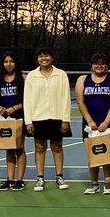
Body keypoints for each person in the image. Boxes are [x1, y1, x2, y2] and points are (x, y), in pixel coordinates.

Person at [24, 48, 72, 191]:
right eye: (40, 56)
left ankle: (59, 177)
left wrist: (65, 119)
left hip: (57, 116)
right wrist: (28, 121)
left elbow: (65, 97)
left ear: (52, 58)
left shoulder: (61, 74)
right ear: (37, 59)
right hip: (38, 118)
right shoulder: (32, 76)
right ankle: (40, 178)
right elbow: (27, 100)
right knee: (39, 148)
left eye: (46, 56)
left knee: (57, 147)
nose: (43, 58)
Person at [75, 53, 110, 195]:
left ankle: (107, 182)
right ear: (91, 65)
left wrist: (106, 121)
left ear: (107, 66)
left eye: (102, 63)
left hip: (107, 122)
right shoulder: (83, 80)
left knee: (107, 153)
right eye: (96, 63)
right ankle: (94, 182)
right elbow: (80, 101)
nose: (99, 66)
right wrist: (90, 120)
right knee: (92, 152)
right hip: (90, 124)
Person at [0, 51, 27, 191]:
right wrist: (0, 107)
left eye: (11, 61)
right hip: (4, 117)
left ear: (16, 63)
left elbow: (28, 100)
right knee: (9, 148)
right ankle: (10, 179)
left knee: (19, 148)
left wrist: (15, 107)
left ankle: (20, 180)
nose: (8, 64)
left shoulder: (23, 78)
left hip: (19, 116)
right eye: (6, 61)